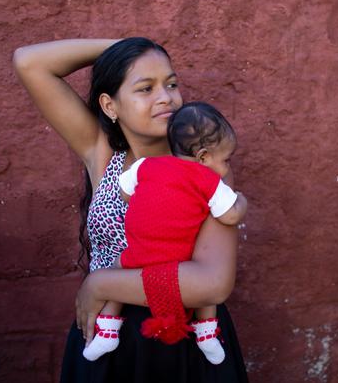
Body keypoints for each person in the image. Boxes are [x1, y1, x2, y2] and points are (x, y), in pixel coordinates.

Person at [13, 37, 248, 382]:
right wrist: (129, 46)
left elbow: (211, 284)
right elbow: (29, 61)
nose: (166, 97)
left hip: (183, 346)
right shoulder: (102, 154)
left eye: (171, 83)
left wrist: (102, 284)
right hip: (106, 345)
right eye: (145, 88)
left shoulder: (204, 164)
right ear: (110, 106)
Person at [82, 102, 248, 365]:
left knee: (116, 272)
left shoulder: (148, 165)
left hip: (138, 253)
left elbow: (125, 192)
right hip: (178, 263)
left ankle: (108, 330)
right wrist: (241, 201)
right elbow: (229, 215)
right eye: (226, 159)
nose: (227, 167)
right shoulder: (209, 181)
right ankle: (206, 334)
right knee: (204, 298)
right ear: (203, 157)